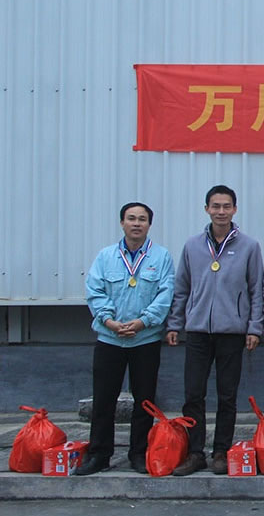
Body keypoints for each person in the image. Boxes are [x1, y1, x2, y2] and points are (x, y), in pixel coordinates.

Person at [166, 185, 264, 476]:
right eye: (216, 206)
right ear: (207, 209)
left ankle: (221, 451)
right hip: (197, 331)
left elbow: (256, 290)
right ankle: (195, 452)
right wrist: (175, 323)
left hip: (232, 332)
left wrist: (254, 328)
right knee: (193, 394)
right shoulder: (192, 246)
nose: (221, 211)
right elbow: (182, 288)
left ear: (235, 209)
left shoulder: (249, 246)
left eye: (226, 206)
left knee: (227, 395)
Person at [78, 202, 175, 476]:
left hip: (145, 340)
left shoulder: (161, 257)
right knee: (103, 400)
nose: (136, 223)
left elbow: (166, 293)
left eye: (142, 219)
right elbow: (95, 291)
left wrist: (144, 321)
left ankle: (139, 453)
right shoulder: (106, 256)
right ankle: (99, 455)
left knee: (145, 401)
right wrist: (109, 321)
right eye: (131, 218)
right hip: (110, 339)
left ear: (149, 224)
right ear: (122, 223)